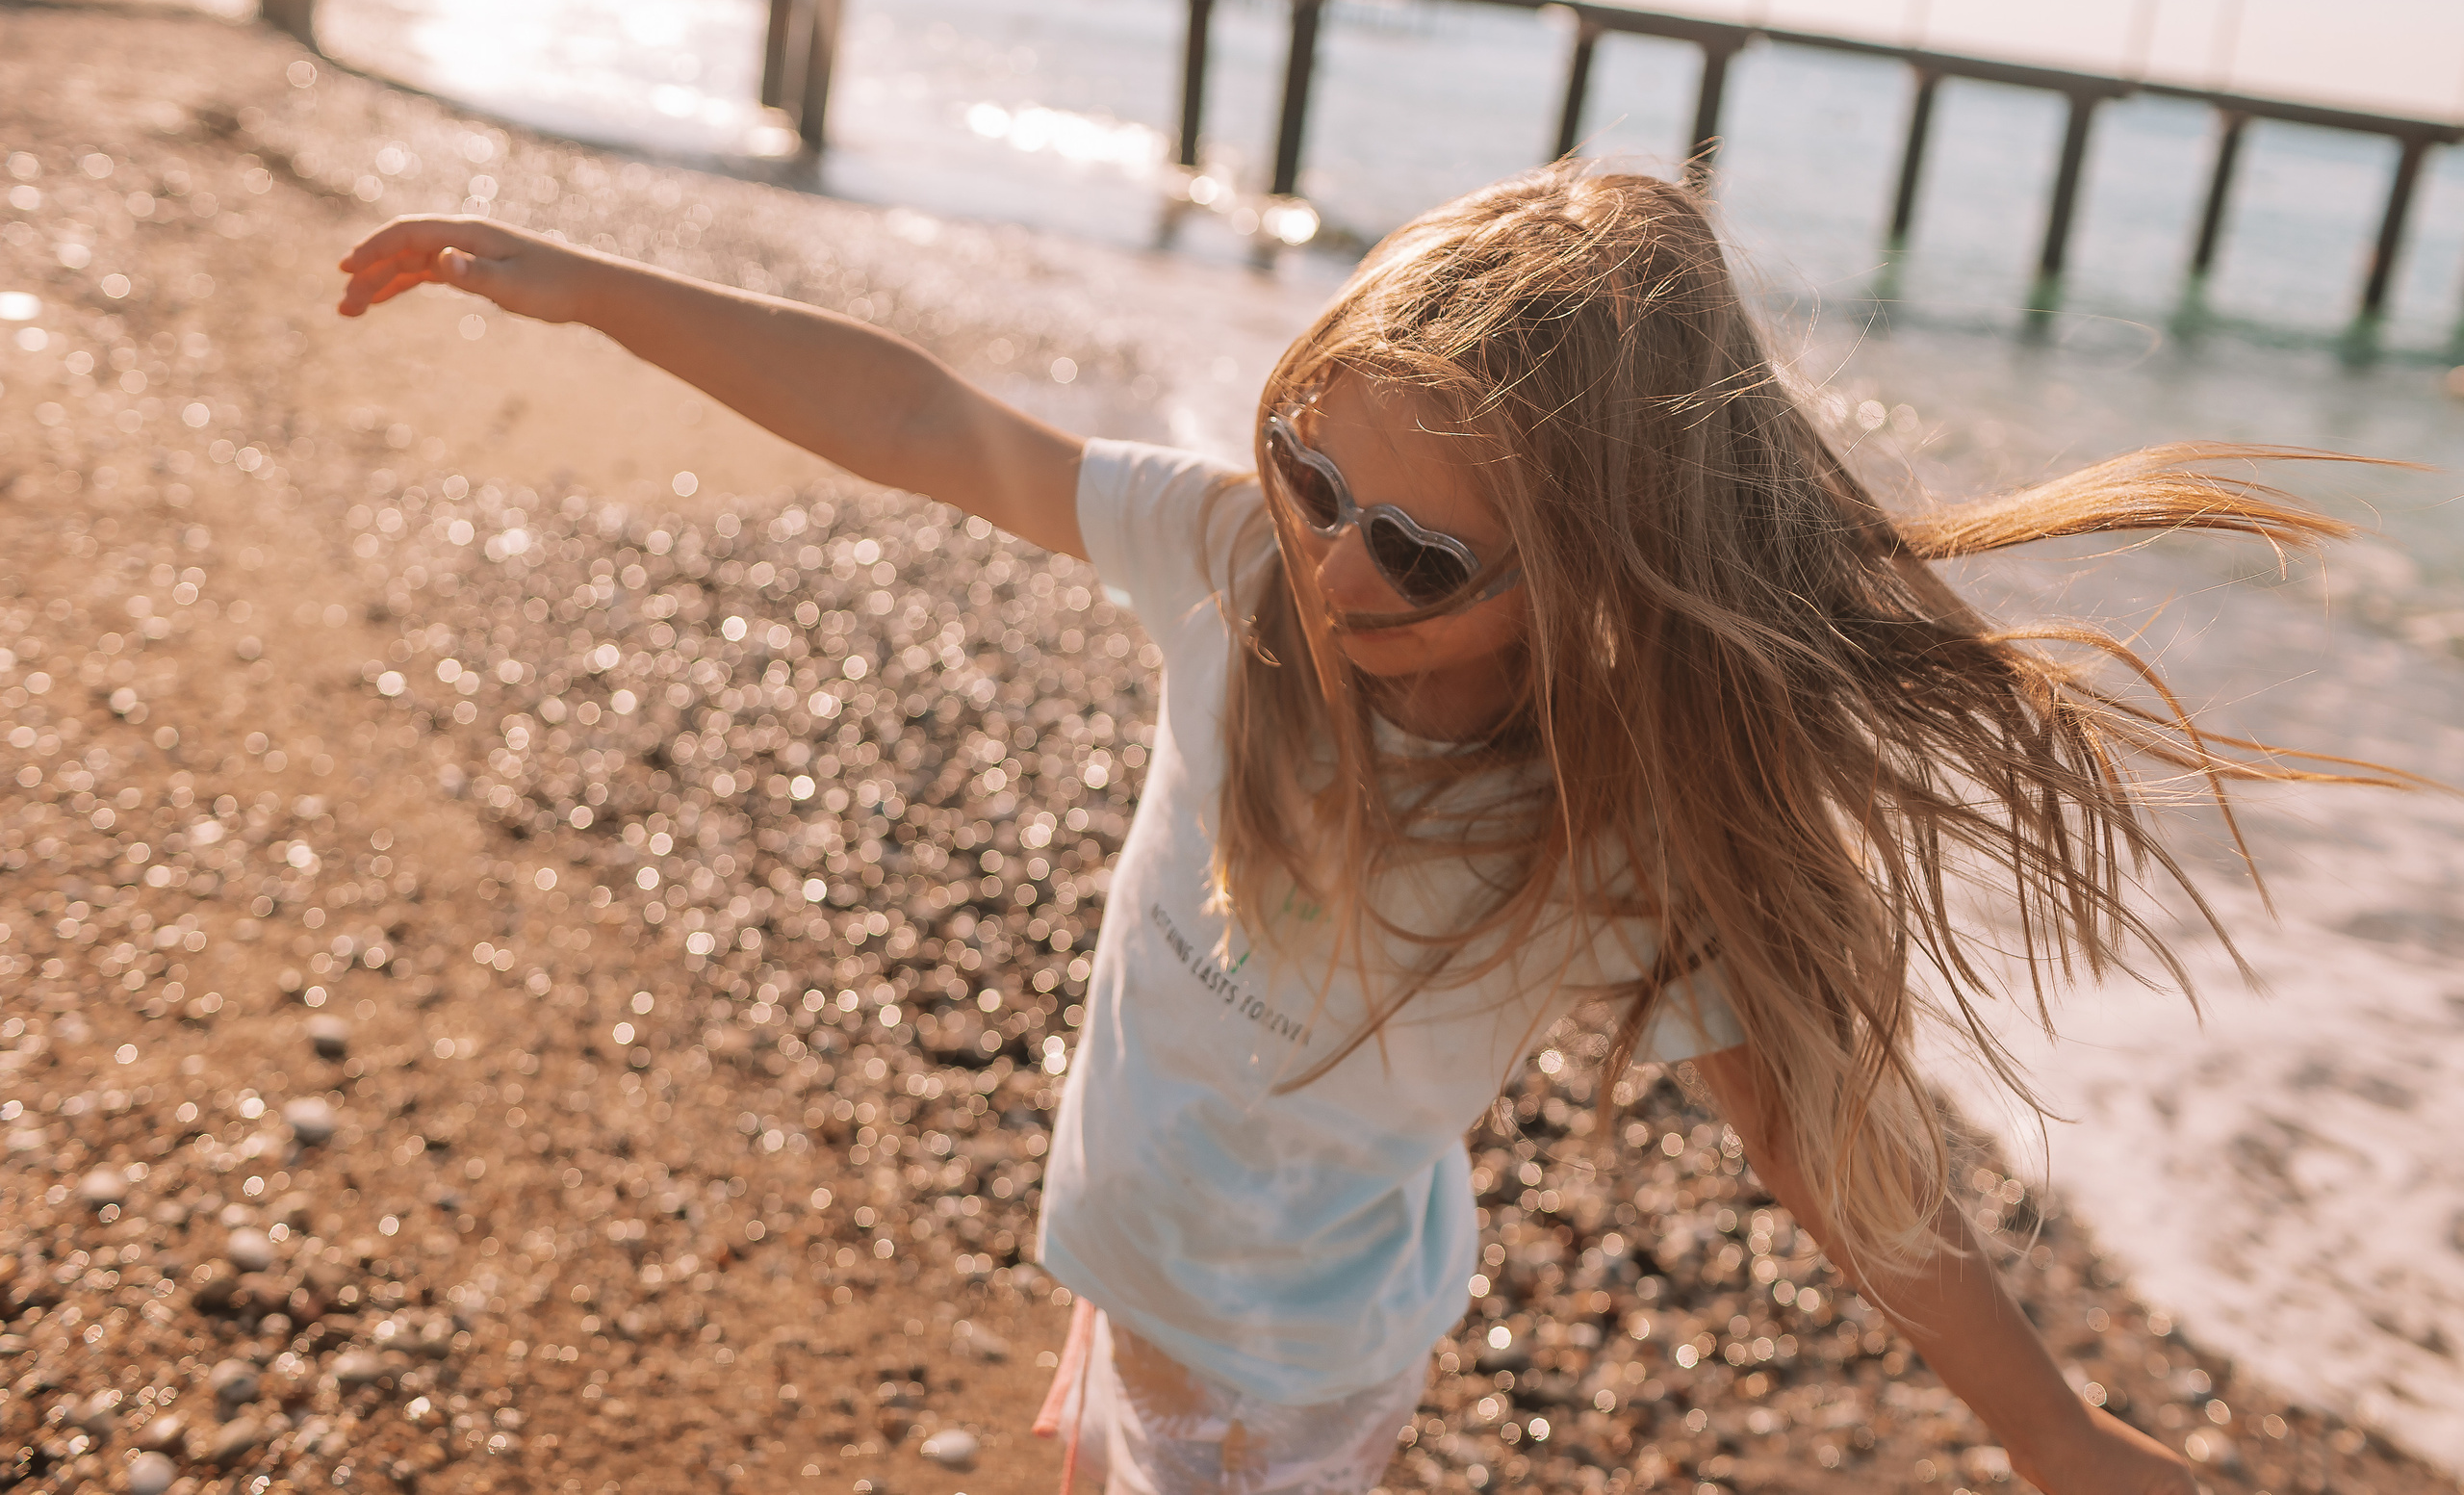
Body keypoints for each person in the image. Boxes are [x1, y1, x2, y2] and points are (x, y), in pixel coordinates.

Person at [336, 164, 2398, 1495]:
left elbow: (1818, 1140)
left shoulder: (1601, 849)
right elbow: (934, 427)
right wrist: (594, 286)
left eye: (1416, 546)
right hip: (1132, 1243)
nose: (1333, 565)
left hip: (1288, 1361)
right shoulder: (1231, 566)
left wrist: (2045, 1425)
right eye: (1312, 471)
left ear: (1590, 571)